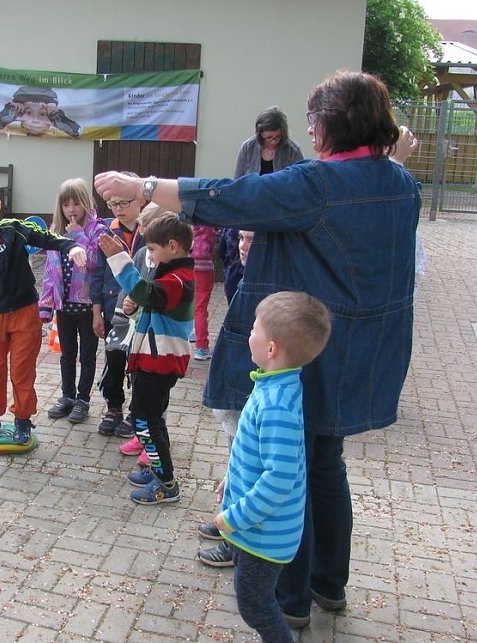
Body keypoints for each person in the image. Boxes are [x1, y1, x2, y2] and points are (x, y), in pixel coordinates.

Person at [94, 70, 420, 628]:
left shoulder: (318, 184)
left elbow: (234, 196)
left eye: (313, 120)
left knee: (290, 467)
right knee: (325, 463)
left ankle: (289, 600)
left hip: (307, 348)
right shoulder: (398, 182)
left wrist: (143, 187)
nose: (309, 131)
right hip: (363, 352)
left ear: (325, 128)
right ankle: (328, 585)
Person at [216, 291, 332, 642]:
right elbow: (258, 455)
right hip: (260, 530)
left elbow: (280, 478)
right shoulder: (276, 385)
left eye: (255, 328)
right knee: (254, 597)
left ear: (271, 349)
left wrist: (232, 518)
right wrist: (230, 480)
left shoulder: (276, 404)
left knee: (255, 606)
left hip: (263, 536)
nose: (248, 333)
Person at [0, 176, 86, 445]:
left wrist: (70, 246)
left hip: (25, 313)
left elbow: (46, 237)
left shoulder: (12, 229)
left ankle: (23, 420)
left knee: (21, 370)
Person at [99, 213, 194, 505]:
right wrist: (131, 309)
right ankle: (158, 471)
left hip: (159, 364)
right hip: (150, 361)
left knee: (147, 423)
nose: (148, 255)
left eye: (152, 249)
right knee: (149, 421)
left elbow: (142, 291)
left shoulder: (180, 280)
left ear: (174, 247)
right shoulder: (171, 276)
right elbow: (148, 305)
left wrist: (120, 260)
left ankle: (166, 483)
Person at [198, 227, 255, 568]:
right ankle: (229, 521)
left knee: (248, 462)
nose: (243, 246)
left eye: (253, 239)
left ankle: (238, 541)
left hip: (254, 388)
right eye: (241, 238)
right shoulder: (244, 272)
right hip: (238, 383)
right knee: (236, 456)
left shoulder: (268, 282)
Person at [216, 107, 305, 305]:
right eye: (268, 138)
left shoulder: (292, 150)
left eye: (276, 137)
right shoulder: (247, 148)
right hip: (248, 216)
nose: (272, 141)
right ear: (260, 134)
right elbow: (237, 183)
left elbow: (299, 187)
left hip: (277, 218)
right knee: (237, 268)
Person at [114, 203, 180, 461]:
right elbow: (135, 288)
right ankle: (142, 436)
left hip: (162, 344)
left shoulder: (175, 267)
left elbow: (167, 302)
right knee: (139, 392)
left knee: (156, 399)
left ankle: (156, 442)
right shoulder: (142, 255)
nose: (145, 238)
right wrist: (130, 307)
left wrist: (143, 301)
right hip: (139, 336)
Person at [39, 178, 106, 424]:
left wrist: (77, 235)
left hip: (88, 306)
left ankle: (83, 400)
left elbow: (92, 262)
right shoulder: (56, 229)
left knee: (87, 355)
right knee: (67, 354)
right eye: (66, 204)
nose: (71, 209)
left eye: (76, 203)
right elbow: (49, 271)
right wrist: (45, 306)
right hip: (64, 306)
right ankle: (67, 396)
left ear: (86, 203)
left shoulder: (97, 230)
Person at [90, 171, 146, 438]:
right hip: (114, 309)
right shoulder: (106, 233)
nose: (119, 209)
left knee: (139, 364)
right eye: (113, 204)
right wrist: (97, 311)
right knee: (113, 359)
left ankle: (138, 411)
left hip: (143, 313)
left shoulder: (151, 231)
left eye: (125, 203)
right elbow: (98, 274)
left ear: (142, 201)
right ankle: (114, 407)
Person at [190, 224, 217, 360]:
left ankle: (191, 331)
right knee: (200, 308)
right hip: (204, 267)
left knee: (187, 301)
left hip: (187, 265)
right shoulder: (209, 222)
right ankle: (202, 347)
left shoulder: (185, 218)